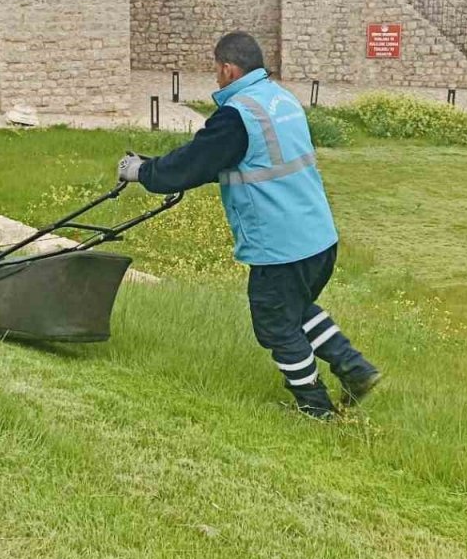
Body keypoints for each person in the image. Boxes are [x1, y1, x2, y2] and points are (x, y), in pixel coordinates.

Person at [117, 31, 381, 420]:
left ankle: (316, 409)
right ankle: (355, 369)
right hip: (318, 234)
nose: (216, 79)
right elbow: (236, 159)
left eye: (216, 71)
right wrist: (159, 164)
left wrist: (142, 171)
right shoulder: (280, 99)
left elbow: (197, 160)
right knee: (292, 309)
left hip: (281, 243)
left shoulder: (238, 113)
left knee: (275, 323)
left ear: (228, 68)